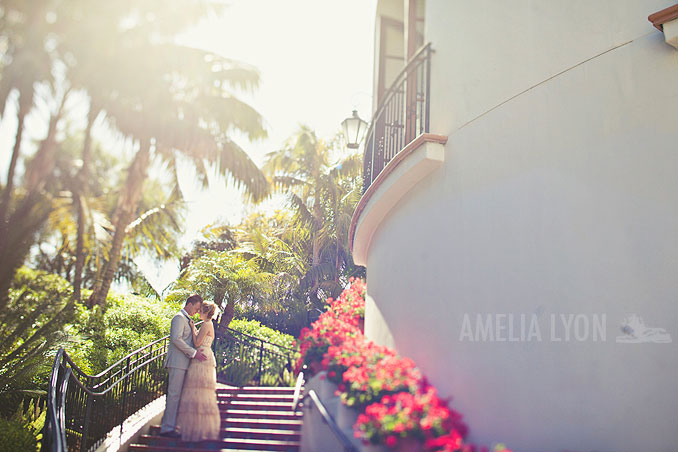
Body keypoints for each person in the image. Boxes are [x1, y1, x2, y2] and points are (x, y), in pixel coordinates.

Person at [160, 294, 207, 437]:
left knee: (178, 396)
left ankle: (172, 426)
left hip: (184, 363)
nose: (196, 312)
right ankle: (167, 428)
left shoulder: (187, 320)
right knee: (174, 395)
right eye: (196, 308)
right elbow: (176, 339)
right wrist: (194, 353)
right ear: (190, 304)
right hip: (177, 363)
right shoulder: (179, 318)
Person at [176, 300, 221, 442]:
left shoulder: (206, 324)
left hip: (201, 357)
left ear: (206, 312)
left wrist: (192, 328)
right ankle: (199, 429)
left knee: (197, 392)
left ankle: (197, 429)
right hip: (206, 356)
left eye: (201, 310)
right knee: (201, 393)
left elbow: (196, 343)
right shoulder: (209, 324)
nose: (199, 312)